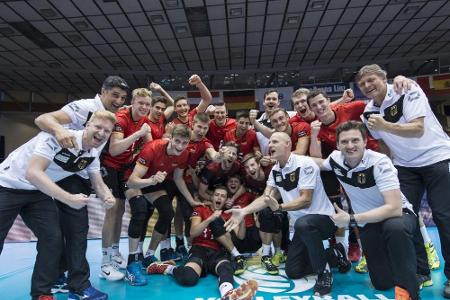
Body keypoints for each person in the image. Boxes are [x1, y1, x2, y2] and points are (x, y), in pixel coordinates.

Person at [0, 111, 117, 300]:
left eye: (107, 130)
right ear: (87, 125)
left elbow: (98, 183)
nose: (102, 133)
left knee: (53, 240)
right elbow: (33, 173)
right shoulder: (58, 137)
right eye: (98, 127)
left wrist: (107, 197)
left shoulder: (92, 153)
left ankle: (41, 293)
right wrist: (68, 198)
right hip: (7, 185)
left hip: (37, 193)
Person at [357, 64, 450, 298]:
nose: (368, 86)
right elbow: (384, 143)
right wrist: (386, 170)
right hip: (406, 167)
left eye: (371, 80)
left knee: (444, 215)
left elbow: (418, 128)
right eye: (362, 84)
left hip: (437, 158)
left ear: (383, 78)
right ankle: (420, 272)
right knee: (406, 219)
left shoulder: (407, 89)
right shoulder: (368, 111)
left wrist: (385, 124)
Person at [33, 76, 129, 295]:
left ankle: (67, 280)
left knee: (73, 231)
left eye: (123, 98)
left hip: (76, 173)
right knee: (63, 233)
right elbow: (43, 119)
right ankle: (67, 281)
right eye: (115, 95)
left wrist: (102, 189)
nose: (118, 101)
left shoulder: (111, 117)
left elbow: (93, 157)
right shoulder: (84, 107)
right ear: (102, 91)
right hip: (50, 174)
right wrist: (59, 131)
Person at [224, 132, 349, 296]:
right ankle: (334, 254)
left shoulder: (305, 163)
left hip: (324, 220)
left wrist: (280, 208)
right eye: (269, 143)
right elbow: (266, 198)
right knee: (293, 271)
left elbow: (306, 200)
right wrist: (244, 211)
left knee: (303, 223)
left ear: (288, 144)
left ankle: (324, 273)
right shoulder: (275, 171)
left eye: (275, 142)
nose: (270, 145)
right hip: (301, 227)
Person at [316, 120, 419, 299]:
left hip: (398, 215)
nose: (350, 146)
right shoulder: (335, 159)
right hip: (369, 222)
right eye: (344, 142)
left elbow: (394, 208)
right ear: (338, 145)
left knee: (395, 229)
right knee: (382, 282)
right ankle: (407, 266)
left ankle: (408, 291)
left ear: (365, 142)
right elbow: (318, 163)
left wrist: (351, 219)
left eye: (355, 140)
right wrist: (290, 159)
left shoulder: (380, 162)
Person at [145, 186, 258, 300]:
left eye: (223, 196)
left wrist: (241, 218)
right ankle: (168, 268)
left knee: (226, 268)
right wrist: (209, 218)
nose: (219, 197)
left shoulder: (228, 214)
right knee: (188, 278)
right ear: (212, 197)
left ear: (226, 200)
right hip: (200, 249)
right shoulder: (201, 209)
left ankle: (228, 294)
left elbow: (241, 236)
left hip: (218, 252)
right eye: (217, 195)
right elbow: (193, 232)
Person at [124, 125, 201, 286]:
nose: (180, 146)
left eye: (184, 143)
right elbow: (132, 180)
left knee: (168, 213)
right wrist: (150, 180)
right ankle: (132, 264)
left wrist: (191, 200)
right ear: (171, 138)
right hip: (134, 181)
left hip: (154, 182)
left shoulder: (184, 154)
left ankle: (149, 255)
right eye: (177, 141)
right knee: (140, 211)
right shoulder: (153, 148)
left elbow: (179, 179)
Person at [99, 88, 153, 280]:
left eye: (147, 104)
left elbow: (151, 146)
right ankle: (105, 263)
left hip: (126, 167)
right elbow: (114, 150)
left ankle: (114, 252)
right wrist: (139, 134)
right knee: (112, 210)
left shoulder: (144, 120)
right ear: (132, 102)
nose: (144, 107)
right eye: (141, 103)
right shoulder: (121, 119)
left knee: (121, 210)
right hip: (109, 165)